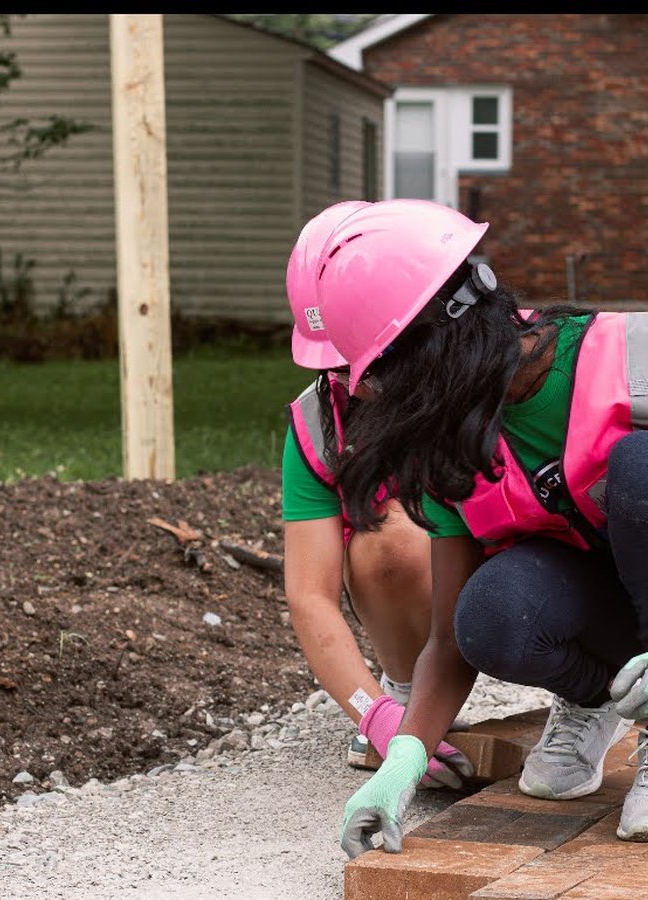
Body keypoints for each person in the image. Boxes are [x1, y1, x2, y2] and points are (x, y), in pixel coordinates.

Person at [313, 199, 648, 859]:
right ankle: (597, 699)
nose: (375, 398)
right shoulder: (452, 440)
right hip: (607, 608)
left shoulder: (632, 360)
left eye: (382, 377)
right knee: (488, 613)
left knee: (646, 470)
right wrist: (402, 759)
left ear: (436, 348)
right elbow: (450, 639)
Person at [280, 201, 473, 791]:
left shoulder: (497, 370)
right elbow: (311, 596)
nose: (352, 382)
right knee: (388, 540)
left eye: (360, 356)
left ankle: (594, 692)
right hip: (447, 581)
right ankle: (413, 687)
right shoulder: (321, 424)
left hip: (528, 572)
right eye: (336, 367)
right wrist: (377, 714)